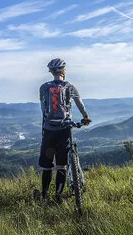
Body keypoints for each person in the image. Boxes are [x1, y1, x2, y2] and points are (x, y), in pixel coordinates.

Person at [39, 58, 91, 203]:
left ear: (51, 72)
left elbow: (43, 109)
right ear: (63, 71)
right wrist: (86, 117)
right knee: (61, 165)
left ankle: (44, 197)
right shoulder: (70, 87)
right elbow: (80, 105)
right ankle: (58, 196)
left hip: (48, 131)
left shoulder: (43, 88)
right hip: (64, 130)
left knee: (47, 166)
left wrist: (45, 126)